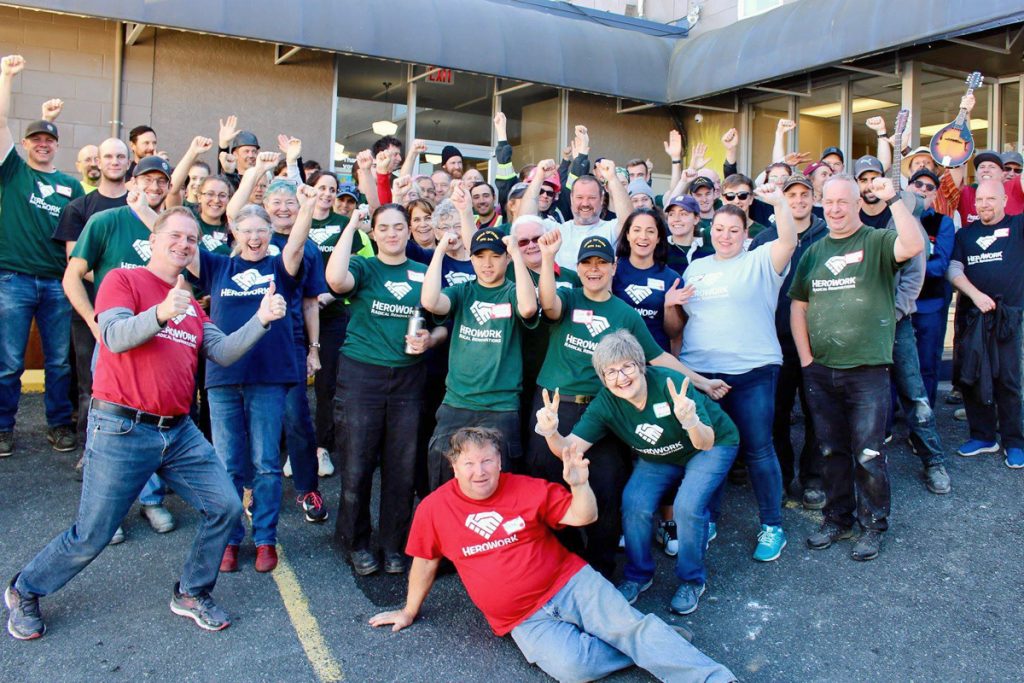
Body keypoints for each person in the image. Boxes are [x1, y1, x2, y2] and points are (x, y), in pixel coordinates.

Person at [4, 207, 287, 640]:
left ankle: (192, 592)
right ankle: (25, 590)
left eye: (192, 239)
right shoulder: (123, 280)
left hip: (177, 431)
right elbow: (114, 337)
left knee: (226, 505)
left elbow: (225, 351)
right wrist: (159, 313)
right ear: (153, 240)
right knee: (93, 534)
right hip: (121, 427)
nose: (184, 244)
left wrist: (262, 320)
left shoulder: (189, 301)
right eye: (175, 236)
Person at [369, 426, 736, 683]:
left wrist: (579, 484)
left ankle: (711, 676)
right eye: (469, 463)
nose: (479, 471)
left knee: (628, 627)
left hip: (570, 583)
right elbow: (426, 560)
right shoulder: (435, 509)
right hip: (523, 619)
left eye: (487, 462)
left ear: (500, 462)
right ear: (454, 467)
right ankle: (654, 642)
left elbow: (584, 516)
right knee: (573, 669)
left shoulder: (527, 489)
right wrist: (408, 609)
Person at [524, 229, 726, 578]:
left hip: (605, 411)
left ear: (614, 268)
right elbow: (548, 304)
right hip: (554, 409)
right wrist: (546, 260)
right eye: (587, 263)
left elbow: (658, 358)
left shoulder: (625, 314)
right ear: (579, 267)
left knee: (605, 489)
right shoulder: (569, 298)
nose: (594, 269)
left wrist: (702, 381)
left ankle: (600, 569)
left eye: (602, 263)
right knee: (553, 488)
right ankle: (558, 569)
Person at [536, 331, 739, 615]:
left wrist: (689, 419)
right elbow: (570, 449)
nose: (621, 377)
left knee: (687, 507)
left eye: (627, 367)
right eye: (611, 372)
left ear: (641, 365)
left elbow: (704, 442)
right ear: (603, 378)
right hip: (659, 455)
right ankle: (638, 575)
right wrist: (551, 432)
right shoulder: (606, 402)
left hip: (710, 444)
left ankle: (692, 579)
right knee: (634, 504)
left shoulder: (672, 383)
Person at [789, 174, 924, 561]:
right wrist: (805, 359)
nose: (834, 209)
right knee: (831, 450)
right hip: (820, 368)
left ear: (856, 204)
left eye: (842, 203)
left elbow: (912, 244)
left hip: (867, 371)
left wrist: (894, 198)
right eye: (828, 202)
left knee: (867, 453)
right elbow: (799, 304)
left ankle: (873, 526)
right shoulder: (814, 251)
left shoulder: (877, 241)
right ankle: (838, 518)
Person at [191, 192, 313, 573]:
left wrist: (306, 207)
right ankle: (228, 539)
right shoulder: (216, 268)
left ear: (271, 232)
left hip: (269, 377)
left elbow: (296, 246)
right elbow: (178, 244)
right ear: (234, 231)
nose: (255, 237)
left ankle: (264, 539)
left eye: (262, 230)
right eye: (247, 230)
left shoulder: (280, 268)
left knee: (265, 464)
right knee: (227, 464)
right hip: (224, 377)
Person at [325, 204, 447, 575]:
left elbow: (443, 322)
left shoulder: (423, 272)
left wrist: (429, 340)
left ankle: (394, 545)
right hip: (362, 376)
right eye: (384, 228)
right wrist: (350, 226)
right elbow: (335, 279)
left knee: (402, 468)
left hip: (409, 379)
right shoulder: (364, 268)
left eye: (399, 227)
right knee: (358, 464)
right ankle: (356, 542)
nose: (392, 234)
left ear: (409, 232)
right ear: (374, 233)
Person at [65, 155, 181, 534]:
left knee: (150, 426)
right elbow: (73, 277)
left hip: (160, 341)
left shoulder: (172, 234)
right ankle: (106, 513)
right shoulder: (105, 221)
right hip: (115, 341)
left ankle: (150, 500)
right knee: (109, 429)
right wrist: (94, 322)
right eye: (146, 179)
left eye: (161, 181)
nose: (154, 187)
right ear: (131, 183)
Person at [679, 187, 797, 562]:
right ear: (710, 230)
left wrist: (779, 202)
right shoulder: (696, 267)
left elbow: (790, 239)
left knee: (759, 449)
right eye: (719, 229)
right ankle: (708, 519)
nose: (725, 236)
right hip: (703, 373)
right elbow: (683, 319)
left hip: (752, 371)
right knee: (708, 448)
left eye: (733, 230)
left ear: (746, 233)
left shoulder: (761, 260)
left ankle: (772, 526)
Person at [228, 154, 331, 522]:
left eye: (291, 202)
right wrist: (256, 170)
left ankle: (307, 489)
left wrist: (313, 350)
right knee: (246, 422)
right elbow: (233, 210)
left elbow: (309, 304)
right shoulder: (248, 239)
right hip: (245, 344)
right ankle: (251, 488)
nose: (284, 208)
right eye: (276, 202)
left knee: (297, 419)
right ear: (264, 207)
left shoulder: (309, 248)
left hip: (289, 346)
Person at [0, 54, 85, 458]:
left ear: (56, 145)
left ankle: (58, 425)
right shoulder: (14, 172)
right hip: (13, 279)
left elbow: (86, 231)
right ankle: (3, 428)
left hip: (56, 282)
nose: (43, 144)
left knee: (59, 363)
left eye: (49, 140)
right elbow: (1, 122)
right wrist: (7, 77)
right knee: (8, 362)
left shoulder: (71, 185)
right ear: (25, 145)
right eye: (36, 139)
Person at [855, 156, 951, 495]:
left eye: (873, 178)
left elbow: (915, 272)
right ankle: (855, 468)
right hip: (859, 329)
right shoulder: (849, 222)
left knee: (914, 393)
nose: (868, 185)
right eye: (862, 179)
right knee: (860, 397)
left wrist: (895, 311)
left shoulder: (901, 215)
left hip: (897, 324)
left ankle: (934, 461)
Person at [421, 226, 538, 488]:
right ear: (471, 259)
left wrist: (517, 254)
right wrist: (440, 250)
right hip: (456, 403)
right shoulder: (463, 292)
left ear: (505, 259)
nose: (487, 263)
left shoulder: (511, 292)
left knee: (499, 484)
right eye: (480, 256)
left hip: (501, 406)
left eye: (495, 256)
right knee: (443, 479)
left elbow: (529, 308)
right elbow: (430, 302)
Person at [749, 175, 828, 508]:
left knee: (818, 415)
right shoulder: (766, 240)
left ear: (813, 197)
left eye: (803, 194)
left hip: (821, 341)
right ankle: (781, 475)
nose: (797, 200)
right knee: (776, 414)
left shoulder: (830, 237)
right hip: (776, 342)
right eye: (791, 194)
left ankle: (814, 479)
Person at [53, 138, 131, 453]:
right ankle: (89, 453)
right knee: (91, 385)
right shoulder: (79, 208)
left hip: (137, 310)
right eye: (108, 156)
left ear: (129, 163)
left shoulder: (139, 206)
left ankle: (134, 453)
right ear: (98, 161)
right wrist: (120, 280)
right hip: (91, 308)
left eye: (120, 156)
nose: (114, 161)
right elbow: (75, 261)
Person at [948, 180, 1024, 469]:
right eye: (980, 199)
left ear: (1005, 199)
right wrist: (976, 295)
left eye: (991, 199)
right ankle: (982, 437)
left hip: (1008, 318)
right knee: (973, 376)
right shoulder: (965, 235)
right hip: (972, 317)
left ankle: (1014, 441)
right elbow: (954, 270)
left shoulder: (1017, 227)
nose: (984, 204)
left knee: (1008, 380)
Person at [306, 170, 373, 478]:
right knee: (291, 385)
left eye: (332, 189)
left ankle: (321, 448)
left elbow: (362, 267)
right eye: (322, 187)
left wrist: (329, 295)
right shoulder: (299, 220)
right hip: (297, 312)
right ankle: (298, 449)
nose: (327, 193)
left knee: (326, 384)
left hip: (333, 315)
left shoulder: (349, 228)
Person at [906, 169, 955, 408]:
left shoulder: (943, 223)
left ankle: (923, 417)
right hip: (898, 304)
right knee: (895, 362)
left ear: (935, 195)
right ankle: (892, 418)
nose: (923, 190)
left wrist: (909, 267)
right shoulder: (894, 218)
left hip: (929, 304)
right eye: (918, 184)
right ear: (909, 187)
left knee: (927, 363)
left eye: (929, 187)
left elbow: (941, 265)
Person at [611, 208, 686, 354]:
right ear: (627, 234)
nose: (643, 236)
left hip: (655, 358)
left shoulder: (672, 279)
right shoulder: (612, 271)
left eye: (650, 231)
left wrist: (669, 307)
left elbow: (674, 334)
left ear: (658, 237)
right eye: (637, 230)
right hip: (618, 358)